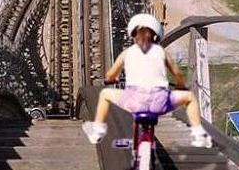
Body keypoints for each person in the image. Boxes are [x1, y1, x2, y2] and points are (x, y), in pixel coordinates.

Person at [82, 12, 212, 148]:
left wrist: (111, 79)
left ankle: (97, 131)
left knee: (105, 94)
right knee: (190, 98)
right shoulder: (161, 52)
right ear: (155, 36)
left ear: (133, 35)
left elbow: (110, 75)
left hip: (134, 101)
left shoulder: (127, 53)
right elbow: (177, 74)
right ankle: (199, 135)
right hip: (160, 103)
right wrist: (180, 85)